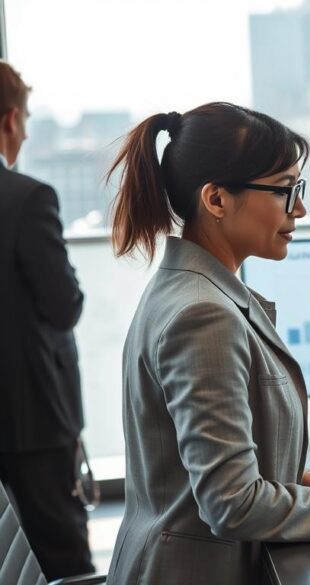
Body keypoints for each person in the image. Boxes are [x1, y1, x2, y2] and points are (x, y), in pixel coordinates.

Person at [106, 103, 310, 585]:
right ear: (216, 200)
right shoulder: (203, 315)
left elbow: (193, 471)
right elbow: (230, 503)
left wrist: (295, 482)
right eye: (285, 190)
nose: (299, 208)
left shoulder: (191, 289)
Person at [0, 60, 94, 580]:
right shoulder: (27, 199)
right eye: (27, 119)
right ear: (11, 120)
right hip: (31, 421)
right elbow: (65, 305)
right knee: (63, 563)